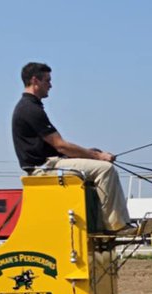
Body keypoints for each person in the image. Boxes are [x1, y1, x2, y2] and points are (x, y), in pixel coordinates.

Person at [12, 62, 131, 233]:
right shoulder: (30, 109)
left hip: (49, 164)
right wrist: (97, 156)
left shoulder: (30, 107)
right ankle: (116, 225)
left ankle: (108, 222)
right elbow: (61, 146)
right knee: (105, 169)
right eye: (47, 81)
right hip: (44, 168)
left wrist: (90, 154)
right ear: (35, 80)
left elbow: (57, 147)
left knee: (98, 163)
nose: (50, 85)